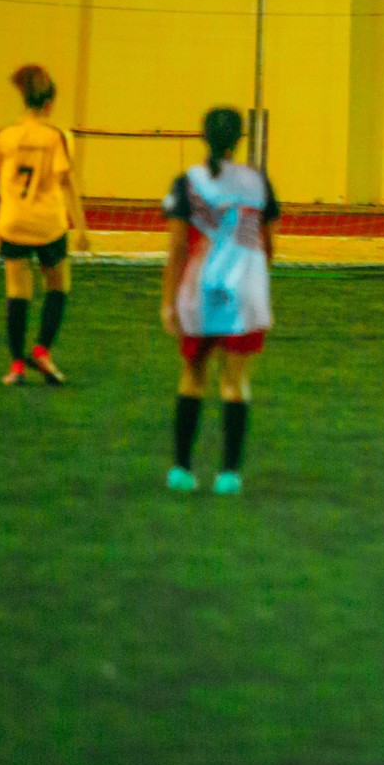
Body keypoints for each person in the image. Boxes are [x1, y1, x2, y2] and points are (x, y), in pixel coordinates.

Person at [160, 108, 280, 495]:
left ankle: (181, 469)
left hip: (200, 290)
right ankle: (229, 474)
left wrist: (168, 302)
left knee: (193, 375)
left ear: (204, 137)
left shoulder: (187, 183)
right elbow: (269, 244)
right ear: (239, 141)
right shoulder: (257, 183)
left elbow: (177, 247)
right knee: (235, 381)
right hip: (243, 291)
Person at [0, 65, 90, 385]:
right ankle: (42, 350)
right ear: (49, 103)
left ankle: (17, 366)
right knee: (58, 286)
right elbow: (66, 182)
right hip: (48, 224)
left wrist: (0, 211)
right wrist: (81, 228)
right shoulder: (58, 136)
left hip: (13, 221)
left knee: (17, 292)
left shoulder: (4, 136)